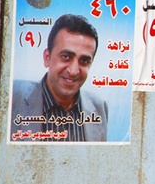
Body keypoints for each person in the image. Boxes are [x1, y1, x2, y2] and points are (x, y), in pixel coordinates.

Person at [10, 13, 108, 142]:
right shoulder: (12, 97)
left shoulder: (99, 107)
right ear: (47, 58)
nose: (73, 71)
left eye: (84, 60)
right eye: (66, 57)